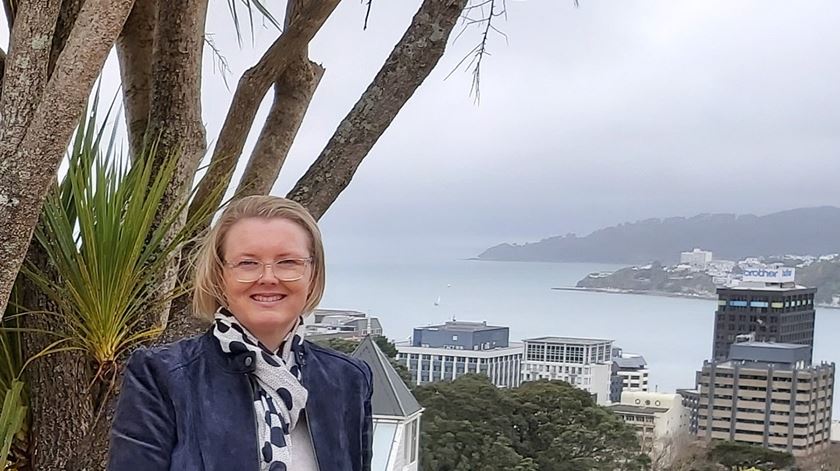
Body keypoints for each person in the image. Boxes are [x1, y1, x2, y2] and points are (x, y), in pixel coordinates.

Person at [109, 195, 373, 471]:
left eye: (288, 262)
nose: (268, 278)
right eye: (248, 263)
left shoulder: (348, 380)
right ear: (220, 276)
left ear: (313, 274)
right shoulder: (163, 376)